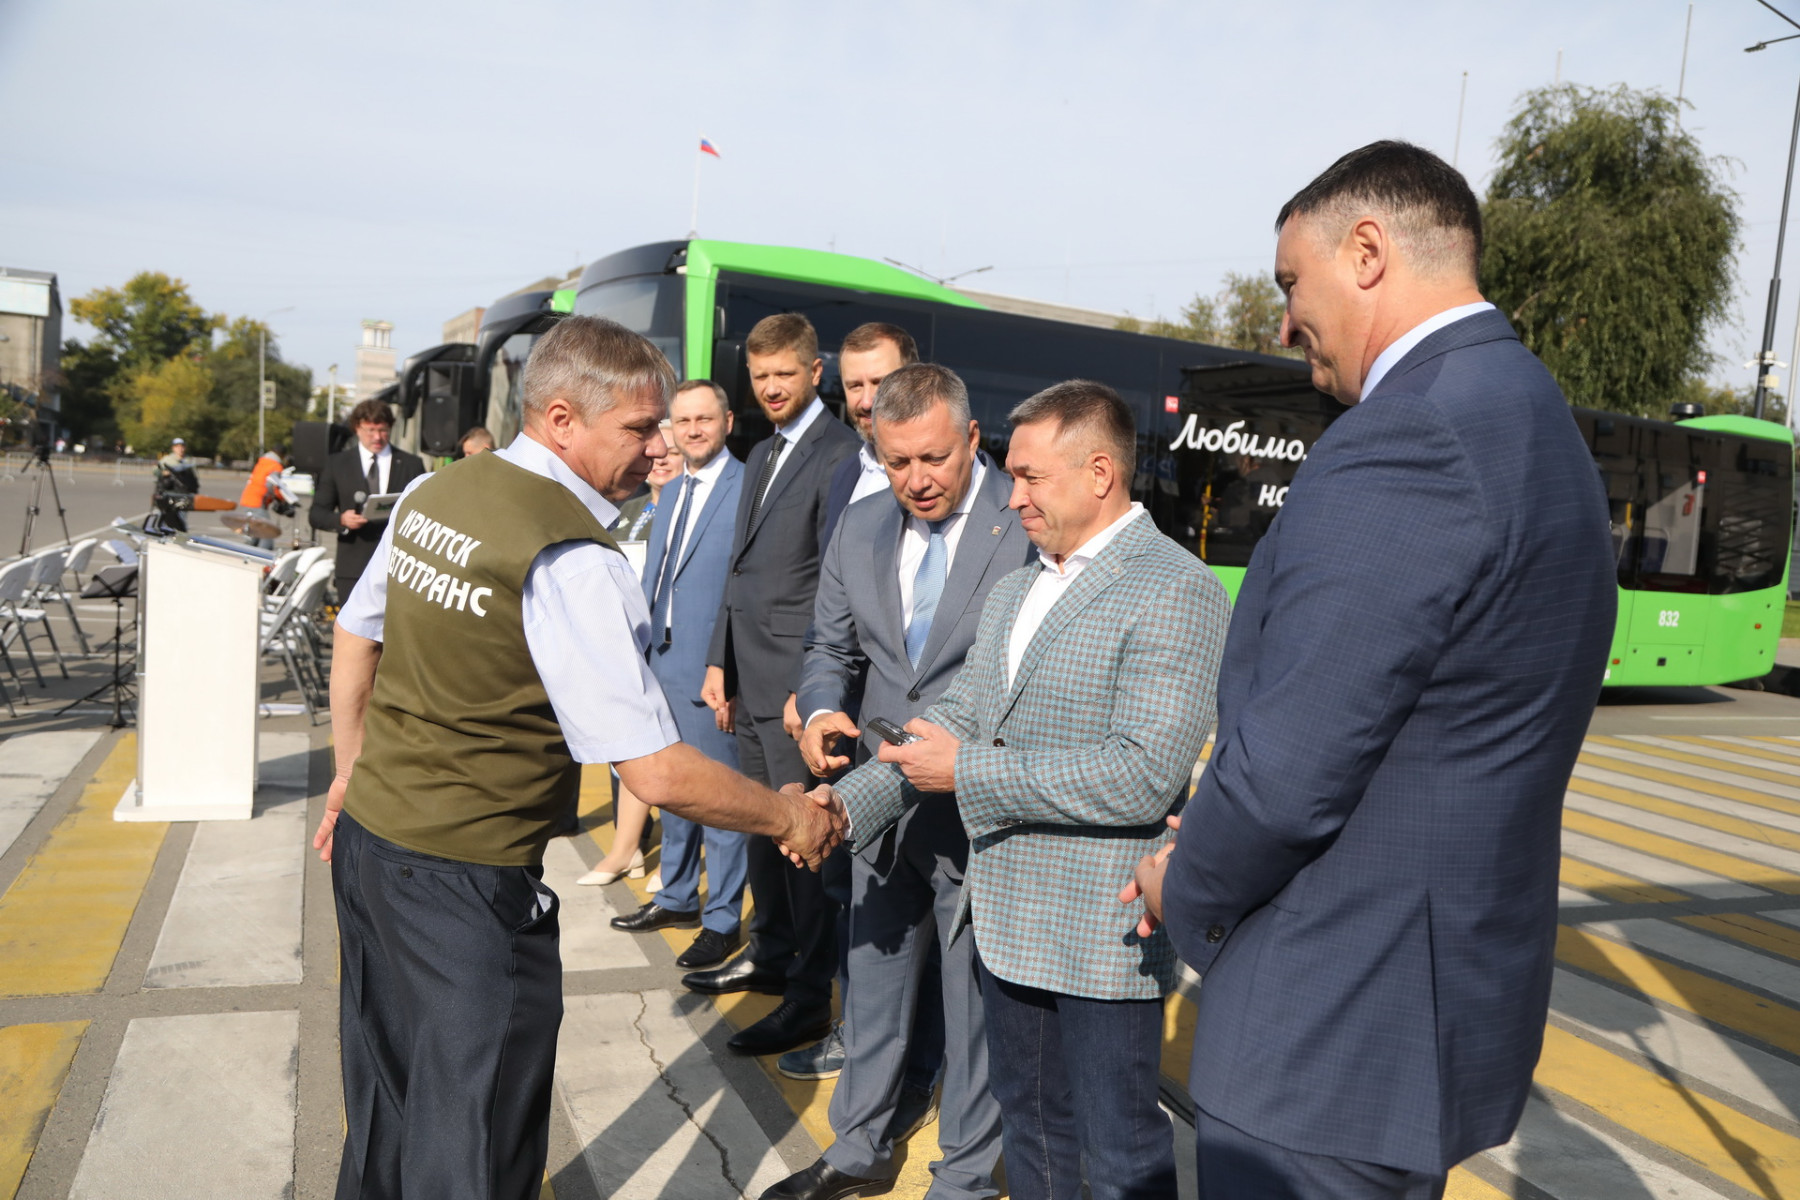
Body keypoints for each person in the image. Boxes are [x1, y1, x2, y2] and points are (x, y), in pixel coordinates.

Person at [1131, 142, 1617, 1200]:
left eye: (1289, 283)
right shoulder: (1532, 415)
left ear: (1365, 252)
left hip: (1327, 1035)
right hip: (1422, 1014)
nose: (1283, 323)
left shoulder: (1410, 437)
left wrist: (1185, 884)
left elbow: (1287, 772)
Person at [313, 315, 845, 1200]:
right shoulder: (571, 558)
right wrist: (791, 816)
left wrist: (350, 772)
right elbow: (656, 772)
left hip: (373, 849)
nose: (658, 447)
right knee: (475, 1142)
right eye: (639, 428)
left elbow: (356, 636)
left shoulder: (437, 493)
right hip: (466, 883)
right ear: (562, 420)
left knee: (389, 1104)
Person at [828, 381, 1230, 1200]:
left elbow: (1142, 774)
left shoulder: (1176, 587)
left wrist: (967, 771)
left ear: (1099, 473)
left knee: (1118, 1153)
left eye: (1028, 478)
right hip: (1006, 923)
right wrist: (844, 807)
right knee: (1034, 1134)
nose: (1011, 499)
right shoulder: (1019, 587)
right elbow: (957, 718)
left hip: (1101, 933)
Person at [763, 364, 1032, 1200]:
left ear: (972, 439)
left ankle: (965, 1178)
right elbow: (829, 647)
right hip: (877, 802)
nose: (916, 480)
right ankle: (860, 1149)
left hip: (975, 804)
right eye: (896, 461)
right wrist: (819, 711)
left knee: (973, 1006)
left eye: (933, 458)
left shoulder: (1025, 522)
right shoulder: (861, 523)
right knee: (873, 983)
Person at [693, 312, 861, 1056]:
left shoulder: (840, 454)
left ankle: (807, 994)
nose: (769, 388)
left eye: (783, 375)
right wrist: (718, 662)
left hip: (795, 691)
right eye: (759, 377)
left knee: (804, 846)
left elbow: (832, 583)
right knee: (763, 835)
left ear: (814, 372)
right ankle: (769, 952)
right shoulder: (759, 452)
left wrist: (809, 690)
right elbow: (739, 571)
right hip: (749, 678)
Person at [608, 380, 750, 969]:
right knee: (672, 793)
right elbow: (655, 582)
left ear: (728, 422)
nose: (692, 430)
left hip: (711, 671)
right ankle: (676, 895)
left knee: (720, 800)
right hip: (660, 663)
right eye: (683, 420)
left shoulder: (746, 490)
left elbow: (745, 593)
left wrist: (731, 671)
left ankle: (721, 919)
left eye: (704, 419)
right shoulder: (670, 491)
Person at [308, 398, 427, 604]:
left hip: (399, 568)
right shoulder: (338, 464)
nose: (377, 437)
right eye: (370, 430)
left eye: (383, 430)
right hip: (353, 567)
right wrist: (341, 520)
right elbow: (317, 514)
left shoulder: (411, 465)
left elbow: (425, 512)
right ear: (357, 428)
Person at [820, 323, 919, 550]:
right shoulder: (844, 474)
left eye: (879, 383)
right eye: (855, 386)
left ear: (913, 380)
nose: (867, 402)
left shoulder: (941, 475)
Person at [149, 437, 199, 533]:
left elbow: (194, 478)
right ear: (173, 448)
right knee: (165, 516)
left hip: (184, 494)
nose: (180, 449)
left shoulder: (189, 461)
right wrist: (163, 473)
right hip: (169, 492)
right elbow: (156, 470)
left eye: (182, 446)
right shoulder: (167, 460)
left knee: (181, 518)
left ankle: (180, 534)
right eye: (177, 447)